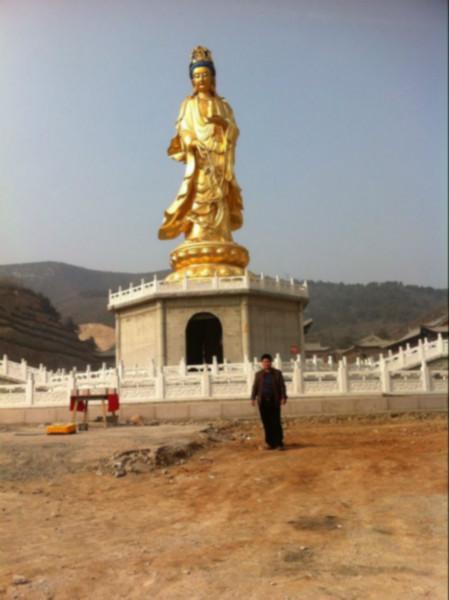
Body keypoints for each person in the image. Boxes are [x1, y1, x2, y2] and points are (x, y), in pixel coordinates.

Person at [158, 46, 244, 243]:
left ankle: (221, 234)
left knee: (220, 196)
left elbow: (234, 130)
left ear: (212, 78)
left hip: (219, 155)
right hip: (199, 157)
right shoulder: (188, 104)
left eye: (205, 75)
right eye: (197, 76)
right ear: (192, 81)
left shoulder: (223, 105)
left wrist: (225, 126)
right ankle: (198, 233)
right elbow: (183, 129)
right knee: (200, 192)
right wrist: (192, 140)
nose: (201, 79)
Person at [251, 353, 287, 450]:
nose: (266, 363)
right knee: (266, 422)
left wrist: (283, 397)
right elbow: (255, 387)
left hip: (274, 401)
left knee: (275, 421)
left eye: (268, 361)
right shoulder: (258, 375)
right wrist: (253, 398)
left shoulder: (277, 373)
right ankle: (269, 443)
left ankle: (279, 443)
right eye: (264, 362)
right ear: (261, 363)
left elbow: (282, 386)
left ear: (271, 362)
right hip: (263, 402)